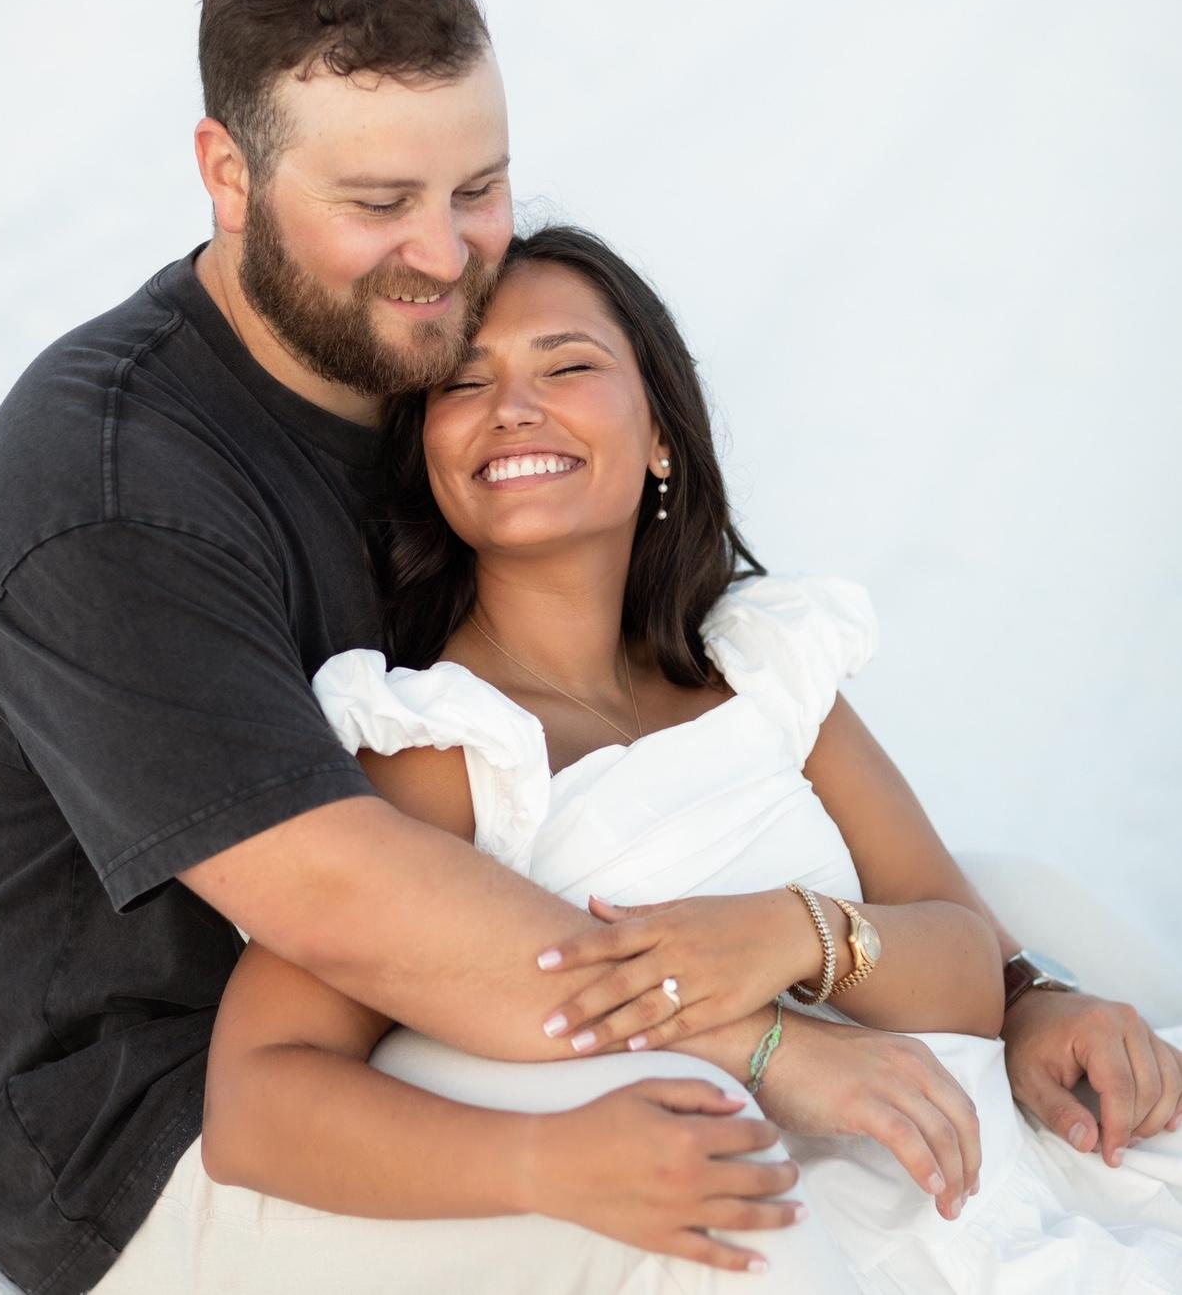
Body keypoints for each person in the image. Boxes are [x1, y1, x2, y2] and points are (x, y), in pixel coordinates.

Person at [0, 0, 1179, 1291]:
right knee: (705, 1186)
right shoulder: (111, 497)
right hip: (170, 1127)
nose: (444, 256)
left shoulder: (402, 350)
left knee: (1028, 915)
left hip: (486, 991)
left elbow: (910, 922)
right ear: (227, 176)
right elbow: (359, 910)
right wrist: (763, 1038)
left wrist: (1015, 990)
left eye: (477, 188)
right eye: (377, 204)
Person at [158, 225, 1182, 1293]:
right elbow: (260, 1104)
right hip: (801, 1247)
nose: (513, 405)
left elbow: (969, 973)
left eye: (567, 365)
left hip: (1015, 1182)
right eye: (464, 380)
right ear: (428, 453)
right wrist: (570, 1148)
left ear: (659, 433)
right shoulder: (443, 751)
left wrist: (789, 932)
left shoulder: (757, 669)